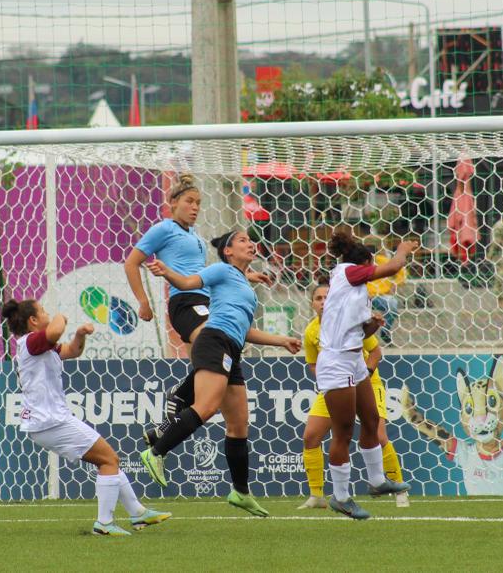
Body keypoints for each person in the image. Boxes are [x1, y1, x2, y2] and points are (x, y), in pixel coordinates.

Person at [139, 230, 301, 516]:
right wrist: (166, 272)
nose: (250, 244)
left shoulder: (246, 288)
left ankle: (240, 492)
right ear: (228, 251)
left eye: (251, 240)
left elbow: (245, 330)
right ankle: (155, 452)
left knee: (239, 426)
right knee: (205, 406)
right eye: (242, 240)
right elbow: (188, 283)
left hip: (231, 348)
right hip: (213, 341)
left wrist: (282, 340)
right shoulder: (221, 270)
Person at [4, 297, 170, 536]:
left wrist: (80, 334)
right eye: (43, 311)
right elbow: (55, 330)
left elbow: (72, 351)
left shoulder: (38, 346)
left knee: (109, 459)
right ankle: (104, 523)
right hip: (51, 421)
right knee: (109, 460)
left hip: (48, 421)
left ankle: (137, 512)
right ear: (33, 320)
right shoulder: (31, 341)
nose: (48, 314)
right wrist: (61, 316)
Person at [124, 175, 270, 447]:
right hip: (185, 303)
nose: (195, 207)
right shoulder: (163, 229)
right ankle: (179, 395)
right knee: (217, 341)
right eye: (189, 201)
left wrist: (247, 276)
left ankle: (165, 427)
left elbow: (203, 273)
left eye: (199, 203)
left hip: (205, 303)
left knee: (212, 365)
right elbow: (131, 263)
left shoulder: (197, 237)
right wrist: (143, 301)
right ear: (173, 203)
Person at [319, 230, 414, 519]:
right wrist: (402, 249)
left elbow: (361, 334)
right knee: (344, 431)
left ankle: (376, 481)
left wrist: (374, 325)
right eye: (372, 268)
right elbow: (394, 267)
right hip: (336, 362)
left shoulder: (355, 293)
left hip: (354, 359)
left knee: (372, 419)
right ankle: (341, 497)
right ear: (364, 264)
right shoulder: (346, 273)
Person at [299, 282, 409, 510]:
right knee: (311, 435)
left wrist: (365, 376)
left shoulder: (348, 324)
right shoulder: (311, 331)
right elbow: (312, 364)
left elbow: (376, 353)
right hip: (336, 385)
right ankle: (317, 496)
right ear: (312, 304)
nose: (322, 302)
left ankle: (398, 488)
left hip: (365, 382)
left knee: (378, 436)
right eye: (318, 298)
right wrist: (328, 378)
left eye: (326, 297)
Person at [367, 240, 406, 345]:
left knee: (392, 304)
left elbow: (402, 272)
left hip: (381, 296)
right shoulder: (358, 265)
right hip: (363, 297)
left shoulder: (383, 261)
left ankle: (385, 331)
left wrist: (395, 283)